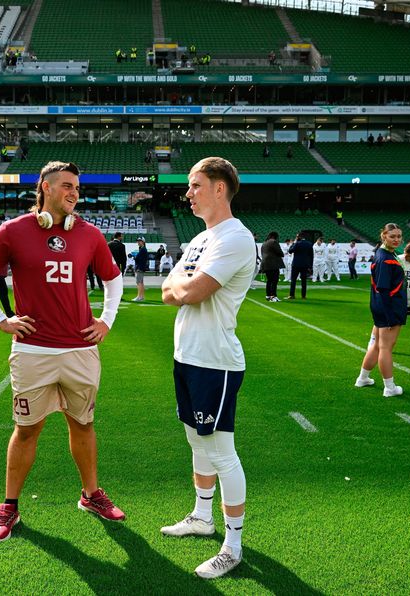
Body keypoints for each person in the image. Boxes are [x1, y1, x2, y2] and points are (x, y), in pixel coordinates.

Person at [0, 161, 125, 542]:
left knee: (83, 424)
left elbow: (113, 280)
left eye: (77, 188)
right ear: (45, 187)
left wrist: (106, 320)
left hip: (80, 350)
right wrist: (0, 320)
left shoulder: (89, 233)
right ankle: (10, 506)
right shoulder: (14, 230)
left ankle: (90, 495)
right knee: (26, 430)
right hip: (33, 350)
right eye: (67, 186)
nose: (74, 193)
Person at [160, 157, 254, 579]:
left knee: (220, 451)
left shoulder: (235, 237)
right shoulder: (202, 239)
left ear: (220, 188)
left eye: (195, 185)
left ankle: (232, 544)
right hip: (187, 355)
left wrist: (183, 288)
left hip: (215, 362)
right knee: (196, 444)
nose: (188, 193)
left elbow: (193, 290)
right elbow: (167, 290)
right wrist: (181, 289)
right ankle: (202, 516)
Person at [355, 223, 406, 397]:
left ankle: (363, 378)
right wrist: (390, 315)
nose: (397, 239)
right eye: (392, 236)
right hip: (388, 307)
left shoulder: (385, 254)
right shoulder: (385, 258)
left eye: (399, 236)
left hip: (381, 306)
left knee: (377, 345)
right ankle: (390, 388)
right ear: (383, 236)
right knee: (385, 347)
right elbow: (383, 288)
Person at [287, 233, 313, 299]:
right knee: (304, 281)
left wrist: (294, 243)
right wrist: (310, 266)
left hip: (296, 264)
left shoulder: (297, 243)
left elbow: (290, 251)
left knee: (293, 280)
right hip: (305, 264)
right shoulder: (309, 244)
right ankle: (303, 296)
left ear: (299, 237)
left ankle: (292, 295)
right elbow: (311, 256)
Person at [259, 231, 284, 302]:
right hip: (273, 264)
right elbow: (280, 252)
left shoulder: (264, 243)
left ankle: (268, 295)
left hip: (265, 264)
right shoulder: (273, 242)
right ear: (275, 236)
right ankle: (273, 296)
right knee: (274, 280)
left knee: (269, 280)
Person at [133, 237, 149, 301]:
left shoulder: (143, 249)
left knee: (139, 282)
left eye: (140, 241)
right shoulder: (142, 249)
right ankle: (141, 296)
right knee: (141, 282)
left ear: (143, 242)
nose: (138, 242)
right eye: (138, 241)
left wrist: (135, 257)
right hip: (140, 267)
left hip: (140, 268)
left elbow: (140, 259)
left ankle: (139, 296)